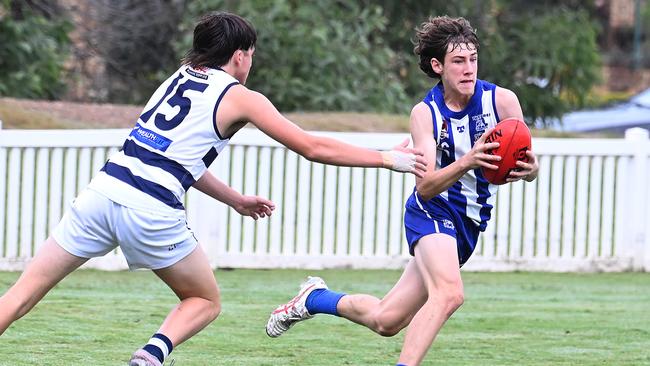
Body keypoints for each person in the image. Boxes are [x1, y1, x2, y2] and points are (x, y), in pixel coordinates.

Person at [0, 11, 427, 366]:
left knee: (22, 293)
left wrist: (234, 199)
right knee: (203, 300)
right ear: (240, 55)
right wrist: (388, 158)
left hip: (100, 193)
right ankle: (151, 354)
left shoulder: (178, 77)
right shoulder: (241, 96)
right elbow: (311, 146)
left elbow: (173, 157)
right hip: (151, 208)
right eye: (252, 55)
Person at [266, 15, 539, 366]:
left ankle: (314, 298)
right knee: (449, 294)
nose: (468, 69)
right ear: (437, 65)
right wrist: (467, 161)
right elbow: (425, 187)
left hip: (468, 225)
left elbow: (526, 165)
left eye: (473, 59)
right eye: (458, 61)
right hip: (432, 212)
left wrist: (531, 170)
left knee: (386, 320)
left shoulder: (502, 103)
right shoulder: (426, 114)